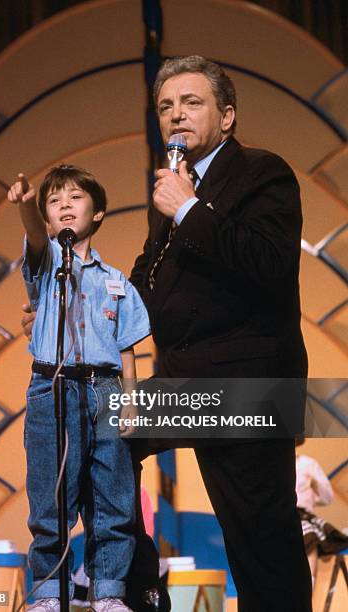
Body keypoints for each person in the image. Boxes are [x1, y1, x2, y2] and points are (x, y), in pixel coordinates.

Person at [23, 55, 313, 611]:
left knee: (259, 537)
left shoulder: (261, 172)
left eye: (191, 102)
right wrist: (73, 306)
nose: (175, 115)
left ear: (227, 117)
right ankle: (133, 590)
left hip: (247, 385)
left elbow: (270, 265)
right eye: (165, 107)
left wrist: (189, 209)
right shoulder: (175, 190)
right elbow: (143, 289)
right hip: (185, 383)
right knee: (102, 438)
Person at [8, 164, 151, 612]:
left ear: (99, 211)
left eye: (75, 197)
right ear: (49, 220)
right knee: (51, 496)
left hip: (105, 388)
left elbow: (127, 346)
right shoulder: (48, 262)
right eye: (55, 201)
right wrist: (28, 206)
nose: (65, 205)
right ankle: (49, 593)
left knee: (114, 498)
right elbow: (33, 236)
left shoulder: (117, 281)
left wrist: (129, 401)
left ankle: (108, 591)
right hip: (53, 386)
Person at [295, 441, 348, 585]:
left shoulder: (307, 464)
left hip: (303, 515)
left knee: (310, 536)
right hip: (280, 517)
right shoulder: (272, 466)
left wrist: (315, 484)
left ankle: (309, 584)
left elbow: (327, 497)